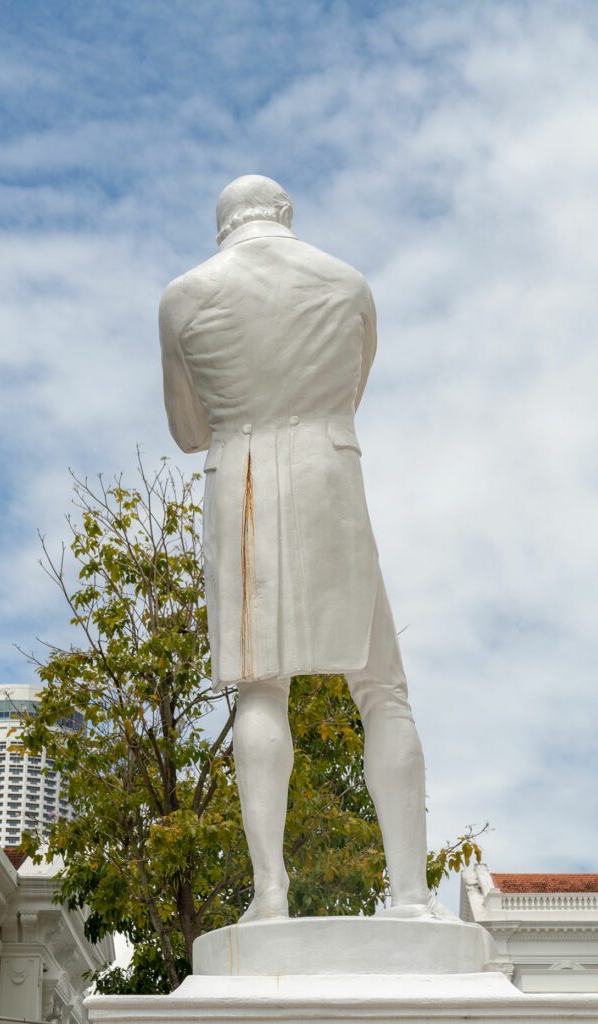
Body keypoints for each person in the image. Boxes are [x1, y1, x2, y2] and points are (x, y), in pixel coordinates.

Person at [159, 175, 450, 923]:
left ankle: (269, 892)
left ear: (221, 226)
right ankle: (410, 893)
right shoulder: (347, 284)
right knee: (381, 687)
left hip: (239, 481)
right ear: (284, 215)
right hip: (327, 472)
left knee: (260, 687)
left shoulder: (184, 297)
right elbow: (349, 390)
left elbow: (189, 431)